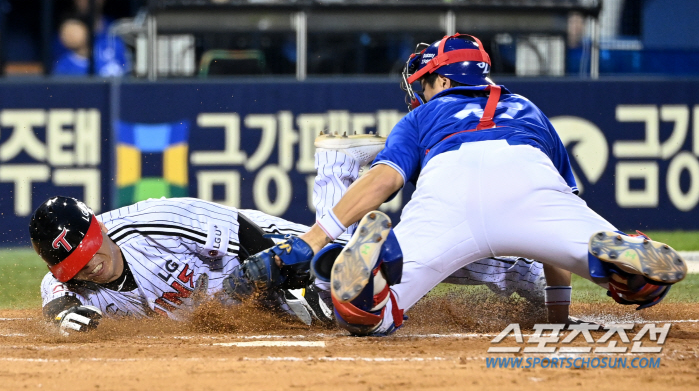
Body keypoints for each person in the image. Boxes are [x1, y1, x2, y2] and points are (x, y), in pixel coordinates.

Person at [251, 33, 689, 336]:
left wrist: (314, 237)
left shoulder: (422, 115)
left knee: (364, 315)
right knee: (633, 280)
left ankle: (373, 280)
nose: (419, 91)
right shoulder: (525, 107)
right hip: (528, 180)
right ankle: (625, 263)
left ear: (442, 80)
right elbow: (563, 201)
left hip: (449, 190)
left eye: (425, 82)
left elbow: (382, 179)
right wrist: (557, 316)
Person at [32, 132, 546, 335]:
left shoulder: (154, 221)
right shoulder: (73, 284)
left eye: (90, 249)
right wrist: (59, 310)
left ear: (100, 229)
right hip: (240, 299)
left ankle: (515, 268)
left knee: (358, 282)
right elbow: (52, 293)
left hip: (262, 251)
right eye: (76, 265)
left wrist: (271, 281)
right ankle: (336, 179)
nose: (91, 265)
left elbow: (241, 235)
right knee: (347, 314)